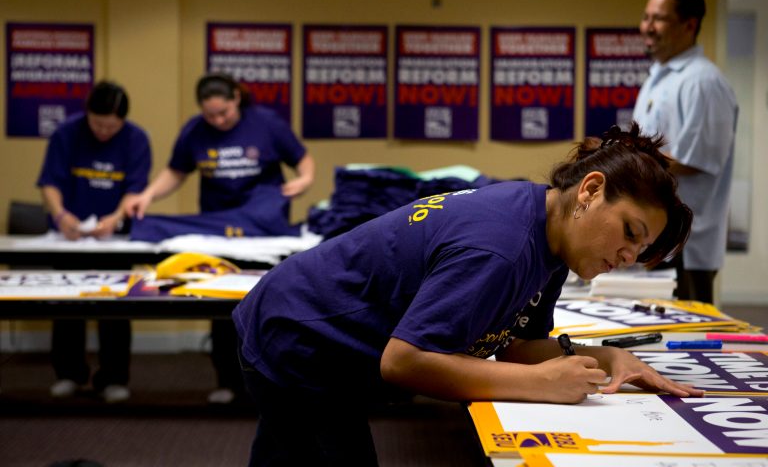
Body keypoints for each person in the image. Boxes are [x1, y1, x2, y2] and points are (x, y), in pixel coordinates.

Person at [232, 123, 703, 466]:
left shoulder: (555, 237)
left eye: (639, 249)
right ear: (591, 190)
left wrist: (603, 358)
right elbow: (404, 360)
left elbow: (515, 347)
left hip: (311, 328)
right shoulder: (500, 247)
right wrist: (541, 384)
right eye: (629, 231)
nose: (626, 254)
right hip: (299, 340)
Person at [124, 73, 315, 404]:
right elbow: (176, 171)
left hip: (261, 227)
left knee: (265, 305)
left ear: (236, 100)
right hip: (217, 229)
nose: (218, 121)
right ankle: (227, 381)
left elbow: (303, 159)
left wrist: (305, 179)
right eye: (210, 115)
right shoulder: (195, 130)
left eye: (223, 113)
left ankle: (270, 383)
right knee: (222, 307)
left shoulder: (267, 123)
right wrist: (148, 195)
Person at [37, 80, 152, 403]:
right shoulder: (66, 133)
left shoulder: (136, 139)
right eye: (97, 124)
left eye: (111, 126)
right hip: (68, 236)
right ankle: (68, 373)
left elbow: (135, 188)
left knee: (115, 307)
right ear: (87, 114)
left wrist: (116, 218)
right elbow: (49, 181)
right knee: (66, 304)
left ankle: (113, 377)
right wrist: (61, 216)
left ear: (123, 122)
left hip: (113, 239)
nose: (103, 132)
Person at [633, 0, 738, 304]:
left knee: (689, 337)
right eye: (646, 17)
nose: (648, 27)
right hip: (658, 234)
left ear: (689, 24)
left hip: (688, 247)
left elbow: (695, 160)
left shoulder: (703, 82)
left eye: (659, 19)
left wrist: (626, 162)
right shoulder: (659, 76)